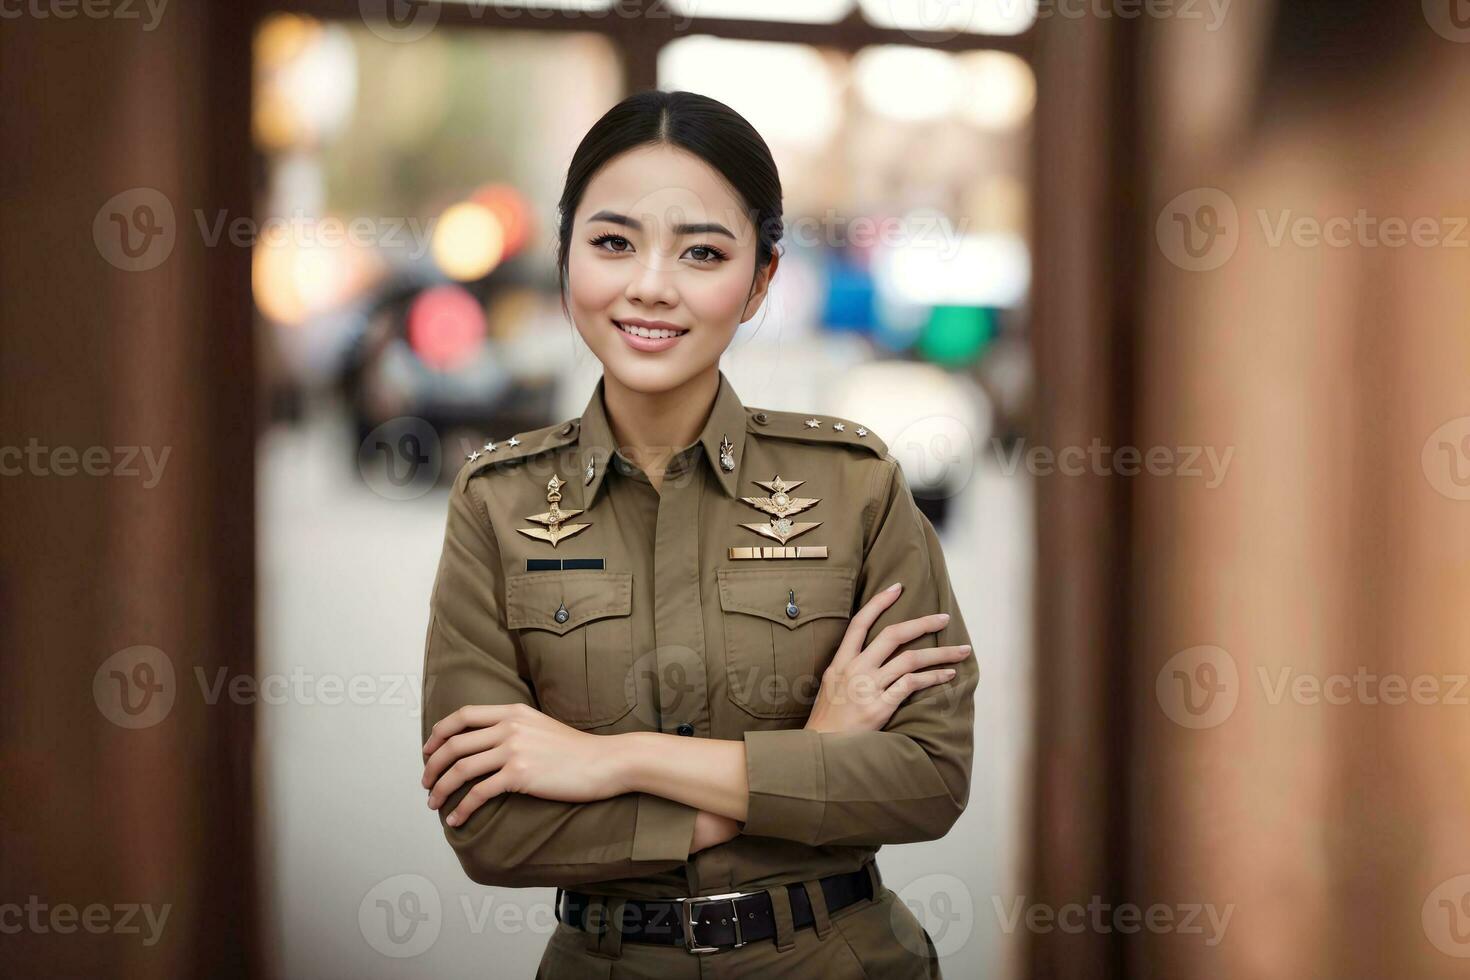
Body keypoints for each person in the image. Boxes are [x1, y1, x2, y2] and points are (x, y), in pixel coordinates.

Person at [419, 89, 978, 978]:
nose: (650, 284)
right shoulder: (497, 504)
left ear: (760, 279)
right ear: (565, 258)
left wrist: (612, 763)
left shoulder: (855, 487)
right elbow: (492, 830)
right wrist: (816, 761)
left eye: (703, 252)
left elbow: (927, 778)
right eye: (612, 243)